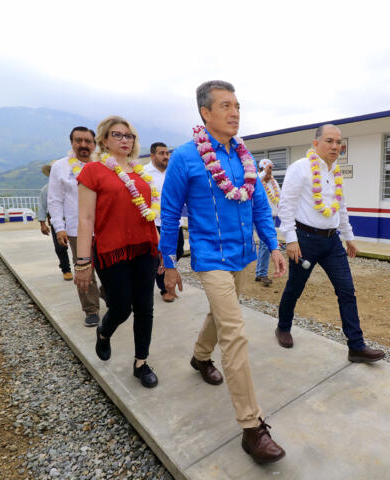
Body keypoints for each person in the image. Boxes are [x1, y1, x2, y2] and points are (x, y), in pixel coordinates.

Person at [160, 80, 287, 464]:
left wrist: (274, 244)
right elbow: (168, 215)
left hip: (245, 255)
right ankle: (252, 428)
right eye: (226, 106)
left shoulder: (245, 158)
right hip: (210, 257)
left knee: (222, 314)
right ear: (205, 113)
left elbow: (260, 206)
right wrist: (168, 264)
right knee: (235, 333)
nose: (235, 113)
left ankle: (200, 357)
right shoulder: (185, 158)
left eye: (237, 106)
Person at [276, 124, 385, 363]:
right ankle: (283, 326)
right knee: (295, 288)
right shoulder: (300, 168)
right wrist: (291, 240)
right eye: (329, 141)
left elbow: (341, 207)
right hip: (304, 241)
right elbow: (286, 205)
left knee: (347, 291)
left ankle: (356, 346)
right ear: (316, 143)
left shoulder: (336, 171)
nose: (335, 146)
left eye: (338, 142)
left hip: (332, 242)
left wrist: (349, 237)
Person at [74, 116, 160, 389]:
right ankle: (104, 332)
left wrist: (160, 251)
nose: (125, 140)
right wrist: (82, 261)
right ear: (104, 140)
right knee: (121, 308)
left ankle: (141, 362)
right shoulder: (93, 171)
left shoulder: (141, 173)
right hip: (112, 251)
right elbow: (86, 219)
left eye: (129, 135)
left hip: (145, 248)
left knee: (145, 307)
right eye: (118, 135)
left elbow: (151, 215)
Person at [48, 127, 102, 327]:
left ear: (94, 144)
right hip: (76, 228)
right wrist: (59, 227)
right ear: (72, 143)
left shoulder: (103, 164)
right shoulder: (61, 167)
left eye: (88, 141)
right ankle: (91, 309)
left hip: (104, 227)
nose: (83, 145)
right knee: (84, 267)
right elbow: (54, 199)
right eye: (78, 140)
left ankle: (108, 295)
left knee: (108, 267)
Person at [143, 142, 184, 302]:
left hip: (174, 222)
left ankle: (162, 271)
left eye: (167, 153)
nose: (166, 156)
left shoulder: (173, 171)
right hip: (154, 223)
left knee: (178, 251)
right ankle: (164, 287)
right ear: (152, 155)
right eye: (161, 153)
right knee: (156, 257)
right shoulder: (144, 173)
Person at [38, 162, 72, 281]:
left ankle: (82, 267)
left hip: (72, 219)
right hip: (56, 221)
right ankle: (66, 269)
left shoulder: (69, 185)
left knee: (78, 245)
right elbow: (42, 206)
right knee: (60, 246)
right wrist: (42, 224)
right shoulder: (45, 190)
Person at [254, 158, 280, 286]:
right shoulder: (258, 181)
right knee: (264, 245)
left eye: (271, 170)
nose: (270, 173)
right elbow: (256, 180)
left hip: (271, 218)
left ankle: (260, 273)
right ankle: (261, 273)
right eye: (268, 170)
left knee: (264, 245)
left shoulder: (274, 183)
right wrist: (264, 171)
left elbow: (280, 199)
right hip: (260, 217)